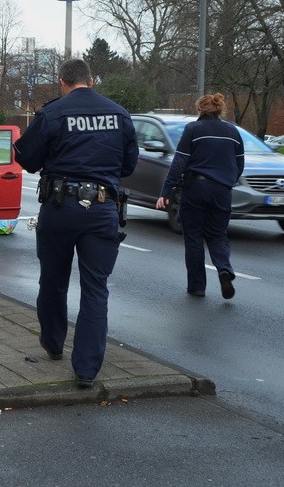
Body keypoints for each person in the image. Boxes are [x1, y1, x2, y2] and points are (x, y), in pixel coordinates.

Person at [13, 59, 137, 389]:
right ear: (92, 80)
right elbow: (129, 165)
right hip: (102, 209)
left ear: (63, 82)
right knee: (96, 289)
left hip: (60, 206)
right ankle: (86, 370)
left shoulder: (53, 113)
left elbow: (25, 158)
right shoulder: (119, 114)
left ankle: (54, 345)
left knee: (53, 280)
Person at [155, 93, 244, 300]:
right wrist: (227, 181)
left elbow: (179, 162)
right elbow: (239, 164)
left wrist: (166, 191)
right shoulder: (232, 131)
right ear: (219, 109)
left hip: (195, 188)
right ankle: (224, 269)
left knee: (194, 238)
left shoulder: (193, 129)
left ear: (200, 110)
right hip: (222, 191)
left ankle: (197, 287)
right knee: (217, 235)